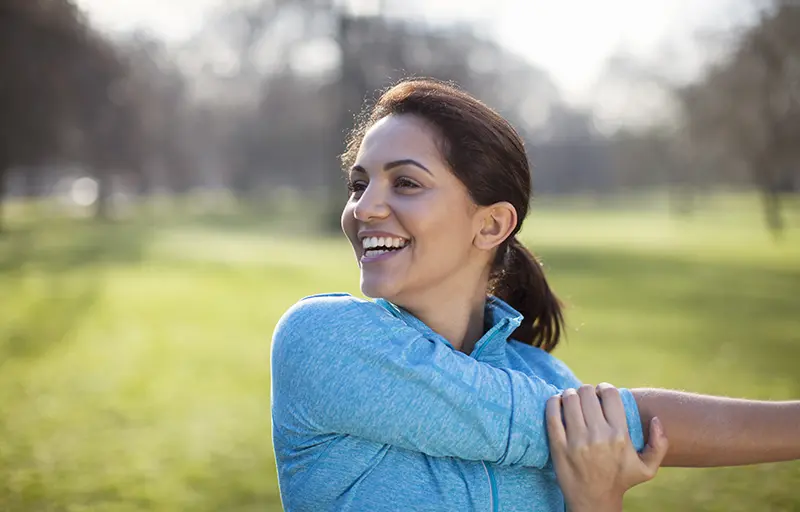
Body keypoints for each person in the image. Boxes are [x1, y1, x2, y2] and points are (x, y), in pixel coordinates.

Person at [270, 78, 800, 512]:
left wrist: (597, 501)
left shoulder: (549, 380)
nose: (364, 208)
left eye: (405, 183)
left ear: (492, 224)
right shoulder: (322, 340)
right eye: (359, 184)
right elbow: (629, 422)